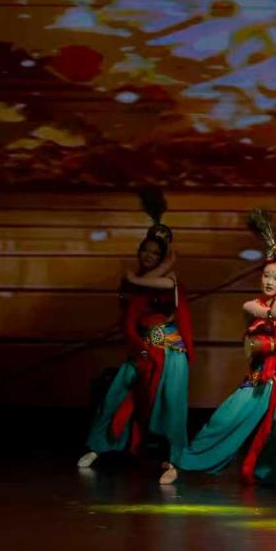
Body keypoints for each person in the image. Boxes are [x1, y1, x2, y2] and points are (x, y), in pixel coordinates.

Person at [176, 210, 276, 485]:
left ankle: (272, 474)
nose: (269, 282)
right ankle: (188, 460)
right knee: (225, 419)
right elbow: (275, 315)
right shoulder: (251, 306)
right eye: (266, 275)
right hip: (259, 376)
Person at [79, 189, 193, 485]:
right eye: (146, 251)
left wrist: (163, 266)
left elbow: (146, 283)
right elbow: (131, 302)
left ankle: (175, 459)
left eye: (156, 253)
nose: (148, 256)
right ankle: (98, 447)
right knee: (116, 395)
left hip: (171, 352)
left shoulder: (168, 279)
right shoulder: (132, 280)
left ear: (163, 258)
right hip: (142, 348)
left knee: (172, 406)